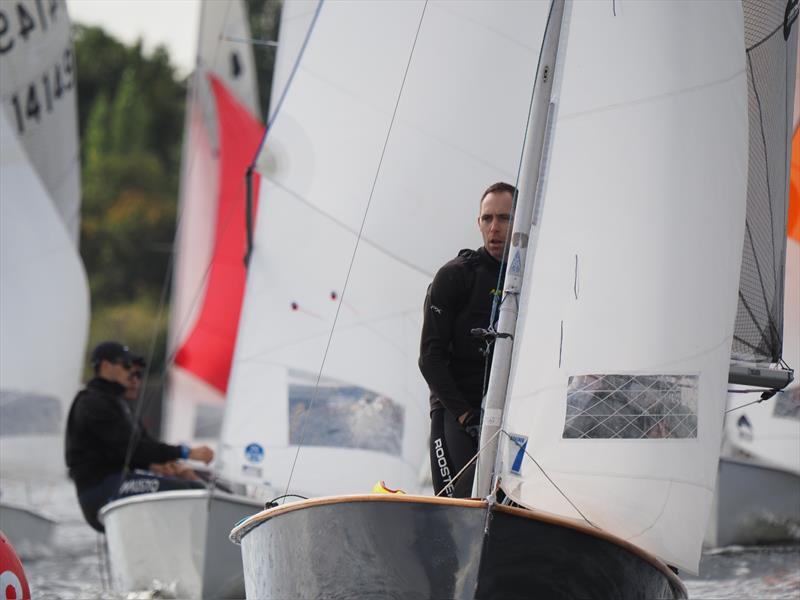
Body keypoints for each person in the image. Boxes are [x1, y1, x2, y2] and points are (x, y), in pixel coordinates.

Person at [419, 182, 515, 498]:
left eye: (504, 218)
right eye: (487, 219)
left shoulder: (531, 280)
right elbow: (429, 359)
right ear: (478, 223)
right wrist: (465, 416)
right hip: (456, 410)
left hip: (508, 415)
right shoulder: (455, 276)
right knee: (456, 504)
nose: (495, 228)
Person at [65, 341, 214, 531]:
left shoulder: (116, 403)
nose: (132, 376)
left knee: (195, 485)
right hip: (99, 490)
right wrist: (186, 452)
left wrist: (162, 465)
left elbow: (139, 447)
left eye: (137, 373)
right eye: (126, 366)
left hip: (114, 482)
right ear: (105, 366)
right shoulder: (92, 403)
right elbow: (132, 449)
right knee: (191, 492)